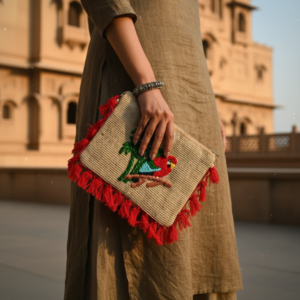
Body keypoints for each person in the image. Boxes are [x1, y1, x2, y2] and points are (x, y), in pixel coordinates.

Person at [64, 0, 243, 299]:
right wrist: (147, 84)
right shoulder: (145, 85)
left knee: (200, 247)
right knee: (137, 238)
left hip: (189, 93)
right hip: (136, 84)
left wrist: (209, 108)